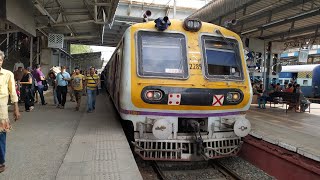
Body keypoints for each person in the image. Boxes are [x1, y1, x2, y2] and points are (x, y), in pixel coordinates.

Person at [0, 50, 21, 173]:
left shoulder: (8, 74)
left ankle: (1, 162)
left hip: (1, 112)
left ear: (2, 61)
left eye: (0, 60)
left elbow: (13, 92)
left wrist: (16, 109)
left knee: (1, 138)